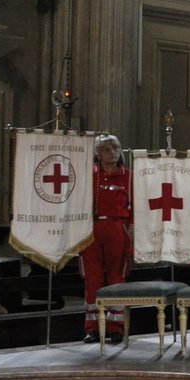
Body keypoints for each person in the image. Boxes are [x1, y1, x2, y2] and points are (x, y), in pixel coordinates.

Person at [80, 134, 131, 343]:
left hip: (118, 229)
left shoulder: (130, 176)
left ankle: (116, 326)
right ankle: (93, 327)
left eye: (115, 148)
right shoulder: (88, 175)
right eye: (107, 149)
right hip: (92, 229)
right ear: (97, 154)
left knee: (117, 279)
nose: (112, 152)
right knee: (92, 280)